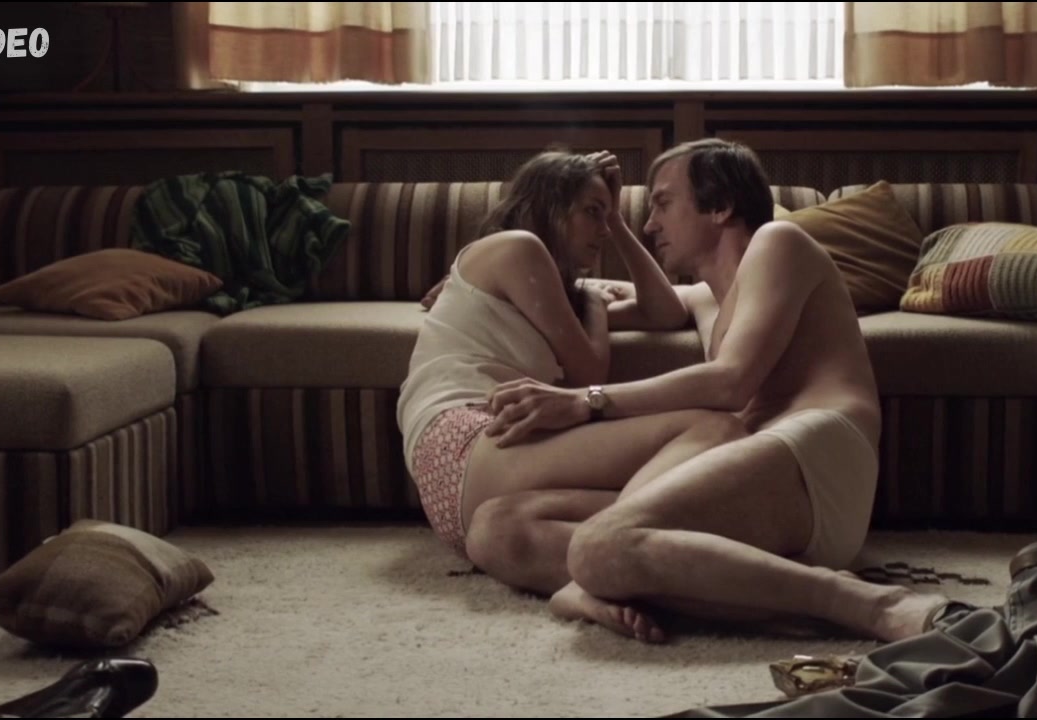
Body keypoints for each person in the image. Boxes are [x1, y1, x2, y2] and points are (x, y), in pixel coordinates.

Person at [480, 138, 950, 644]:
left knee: (598, 546)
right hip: (745, 471)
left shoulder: (779, 242)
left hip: (816, 459)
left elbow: (732, 380)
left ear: (721, 205)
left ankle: (870, 604)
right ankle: (735, 593)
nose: (650, 224)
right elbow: (637, 302)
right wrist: (480, 290)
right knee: (497, 527)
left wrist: (585, 401)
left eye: (663, 203)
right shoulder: (705, 297)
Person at [396, 149, 752, 600]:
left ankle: (586, 588)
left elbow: (664, 312)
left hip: (483, 484)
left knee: (690, 491)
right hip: (465, 441)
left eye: (607, 216)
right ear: (550, 205)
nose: (602, 229)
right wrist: (595, 304)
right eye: (592, 212)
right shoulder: (517, 248)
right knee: (713, 430)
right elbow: (588, 372)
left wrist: (617, 222)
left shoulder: (557, 291)